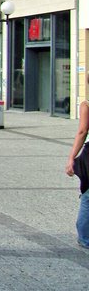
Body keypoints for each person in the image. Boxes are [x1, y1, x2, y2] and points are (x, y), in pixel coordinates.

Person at [65, 86, 89, 249]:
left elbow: (82, 131)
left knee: (88, 196)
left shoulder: (86, 105)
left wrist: (71, 158)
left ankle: (85, 238)